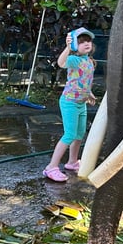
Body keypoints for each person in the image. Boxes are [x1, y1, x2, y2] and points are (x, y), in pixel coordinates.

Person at [43, 27, 98, 182]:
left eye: (88, 41)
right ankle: (51, 167)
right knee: (69, 135)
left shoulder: (90, 62)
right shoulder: (75, 60)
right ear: (74, 45)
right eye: (81, 42)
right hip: (70, 102)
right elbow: (61, 63)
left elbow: (84, 81)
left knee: (79, 134)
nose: (86, 44)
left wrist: (89, 93)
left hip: (81, 103)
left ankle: (72, 162)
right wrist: (67, 48)